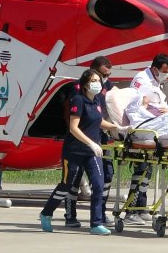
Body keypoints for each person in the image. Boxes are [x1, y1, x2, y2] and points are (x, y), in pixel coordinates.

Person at [40, 69, 126, 235]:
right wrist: (91, 143)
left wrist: (118, 127)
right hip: (74, 151)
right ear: (86, 84)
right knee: (66, 185)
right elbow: (73, 128)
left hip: (91, 153)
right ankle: (46, 213)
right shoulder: (78, 101)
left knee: (99, 184)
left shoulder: (96, 102)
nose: (97, 83)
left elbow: (99, 121)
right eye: (94, 80)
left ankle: (96, 224)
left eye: (98, 80)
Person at [63, 56, 116, 227]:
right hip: (82, 140)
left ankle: (100, 213)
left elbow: (102, 115)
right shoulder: (78, 90)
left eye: (107, 76)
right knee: (74, 180)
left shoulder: (107, 87)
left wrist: (117, 127)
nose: (103, 80)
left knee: (105, 176)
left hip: (100, 138)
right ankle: (70, 215)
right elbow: (73, 120)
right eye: (102, 75)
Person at [125, 53, 168, 225]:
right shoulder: (142, 80)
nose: (165, 75)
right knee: (141, 170)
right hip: (143, 127)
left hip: (154, 127)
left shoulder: (155, 81)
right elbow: (138, 105)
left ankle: (141, 207)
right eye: (164, 71)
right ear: (154, 69)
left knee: (148, 171)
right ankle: (130, 211)